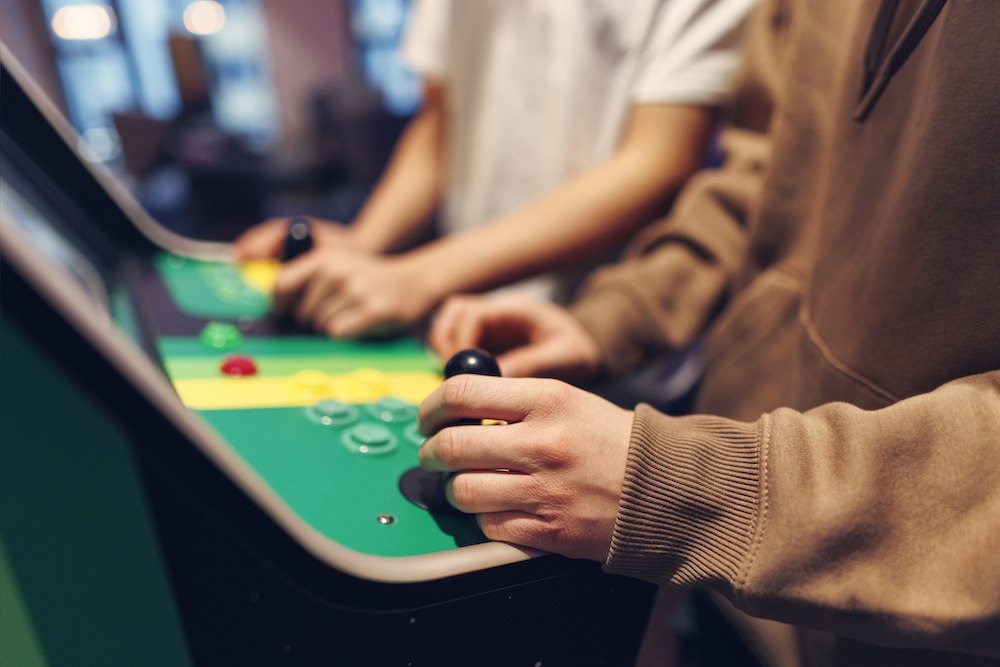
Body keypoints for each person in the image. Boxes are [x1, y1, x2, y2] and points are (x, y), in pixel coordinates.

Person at [418, 0, 1000, 665]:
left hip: (925, 635)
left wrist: (689, 486)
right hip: (732, 589)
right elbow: (761, 178)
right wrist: (616, 317)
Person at [234, 0, 759, 338]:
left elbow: (656, 162)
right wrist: (363, 249)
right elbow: (440, 129)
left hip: (600, 330)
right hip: (458, 314)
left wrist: (417, 275)